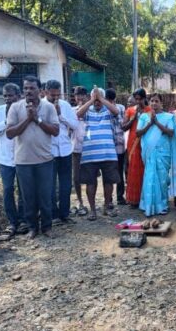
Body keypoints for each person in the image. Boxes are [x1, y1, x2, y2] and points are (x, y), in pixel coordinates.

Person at [6, 76, 59, 239]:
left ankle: (47, 227)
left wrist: (37, 119)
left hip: (44, 160)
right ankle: (32, 228)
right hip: (23, 161)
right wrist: (28, 119)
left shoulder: (49, 107)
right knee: (28, 197)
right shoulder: (15, 107)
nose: (28, 91)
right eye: (26, 88)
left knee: (45, 196)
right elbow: (9, 133)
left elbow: (55, 131)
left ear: (40, 90)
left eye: (32, 88)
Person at [0, 83, 25, 241]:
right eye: (5, 96)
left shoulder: (24, 110)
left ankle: (23, 221)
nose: (7, 99)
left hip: (22, 157)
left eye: (11, 95)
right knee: (8, 189)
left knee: (23, 190)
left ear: (18, 96)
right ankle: (12, 222)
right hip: (5, 158)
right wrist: (5, 122)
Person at [77, 87, 120, 220]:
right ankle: (93, 211)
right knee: (90, 183)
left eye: (99, 99)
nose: (97, 102)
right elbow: (78, 114)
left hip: (108, 153)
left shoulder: (108, 110)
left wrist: (100, 98)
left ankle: (106, 207)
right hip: (89, 154)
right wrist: (91, 100)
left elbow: (116, 111)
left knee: (109, 182)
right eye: (95, 99)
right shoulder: (87, 111)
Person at [136, 93, 176, 216]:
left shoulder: (168, 117)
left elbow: (171, 133)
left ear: (161, 103)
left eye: (156, 101)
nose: (154, 103)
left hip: (163, 153)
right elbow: (138, 133)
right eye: (152, 101)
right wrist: (150, 124)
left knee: (162, 179)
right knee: (149, 177)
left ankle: (162, 205)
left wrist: (157, 123)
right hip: (149, 152)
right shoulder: (144, 117)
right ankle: (148, 205)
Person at [45, 80, 79, 225]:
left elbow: (75, 125)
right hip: (49, 151)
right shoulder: (41, 106)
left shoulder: (65, 105)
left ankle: (65, 214)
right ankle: (53, 215)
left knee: (66, 184)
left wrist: (60, 116)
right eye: (53, 95)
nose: (56, 98)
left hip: (65, 149)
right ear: (45, 92)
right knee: (50, 185)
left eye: (58, 95)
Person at [122, 88, 151, 208]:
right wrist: (133, 118)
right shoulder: (130, 110)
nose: (138, 101)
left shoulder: (150, 110)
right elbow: (123, 127)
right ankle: (134, 199)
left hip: (146, 143)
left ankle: (146, 198)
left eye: (140, 99)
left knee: (145, 170)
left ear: (145, 98)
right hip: (133, 143)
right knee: (133, 170)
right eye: (136, 99)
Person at [105, 88, 127, 205]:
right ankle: (111, 199)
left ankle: (119, 196)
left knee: (118, 171)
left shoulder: (120, 108)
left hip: (118, 145)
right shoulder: (104, 109)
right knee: (111, 172)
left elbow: (122, 123)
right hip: (110, 145)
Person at [71, 86, 90, 215]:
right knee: (76, 178)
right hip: (76, 148)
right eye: (77, 95)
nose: (79, 97)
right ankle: (80, 201)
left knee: (90, 177)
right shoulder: (72, 110)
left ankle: (91, 201)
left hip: (90, 148)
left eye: (82, 95)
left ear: (86, 96)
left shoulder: (92, 110)